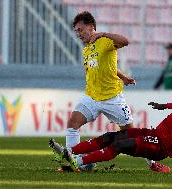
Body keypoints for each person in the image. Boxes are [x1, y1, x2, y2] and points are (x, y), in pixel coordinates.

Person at [51, 11, 160, 171]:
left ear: (91, 27)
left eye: (80, 30)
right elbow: (107, 67)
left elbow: (126, 41)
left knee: (131, 134)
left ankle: (152, 163)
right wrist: (123, 76)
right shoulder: (86, 50)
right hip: (92, 97)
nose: (78, 34)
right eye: (76, 31)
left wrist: (102, 33)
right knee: (73, 123)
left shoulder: (105, 41)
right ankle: (77, 162)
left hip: (112, 98)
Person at [50, 80, 172, 174]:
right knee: (111, 137)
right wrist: (163, 106)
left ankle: (77, 162)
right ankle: (69, 152)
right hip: (153, 133)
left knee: (119, 145)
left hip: (161, 147)